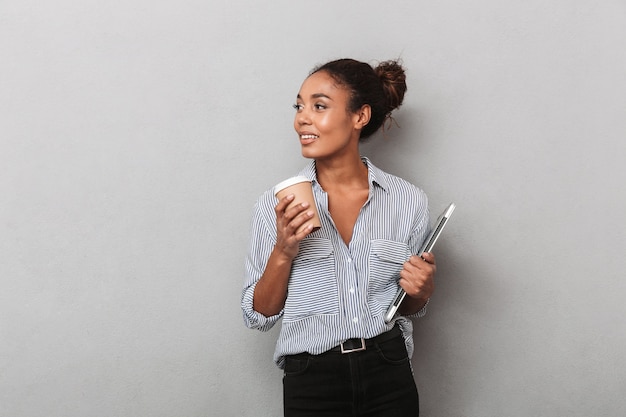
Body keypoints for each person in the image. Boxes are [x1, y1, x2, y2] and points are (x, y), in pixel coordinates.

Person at [241, 58, 436, 417]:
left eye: (319, 105)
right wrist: (284, 250)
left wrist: (419, 292)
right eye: (299, 106)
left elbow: (405, 306)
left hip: (388, 370)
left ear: (359, 116)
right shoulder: (274, 205)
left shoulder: (408, 200)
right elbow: (259, 315)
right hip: (312, 380)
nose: (302, 117)